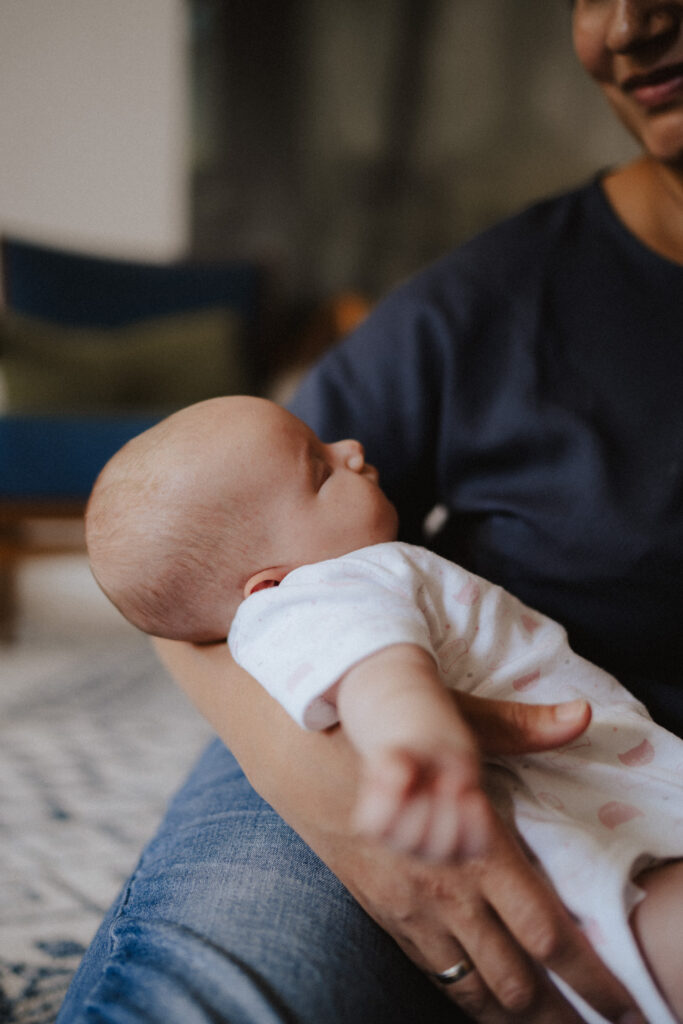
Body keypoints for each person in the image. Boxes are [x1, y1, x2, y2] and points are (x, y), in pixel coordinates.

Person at [57, 2, 683, 1022]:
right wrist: (340, 783)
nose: (622, 24)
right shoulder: (485, 302)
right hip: (393, 758)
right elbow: (208, 578)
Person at [83, 394, 682, 1023]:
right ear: (266, 583)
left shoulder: (313, 586)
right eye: (320, 469)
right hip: (579, 843)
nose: (351, 448)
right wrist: (418, 736)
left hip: (602, 816)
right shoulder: (324, 589)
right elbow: (379, 671)